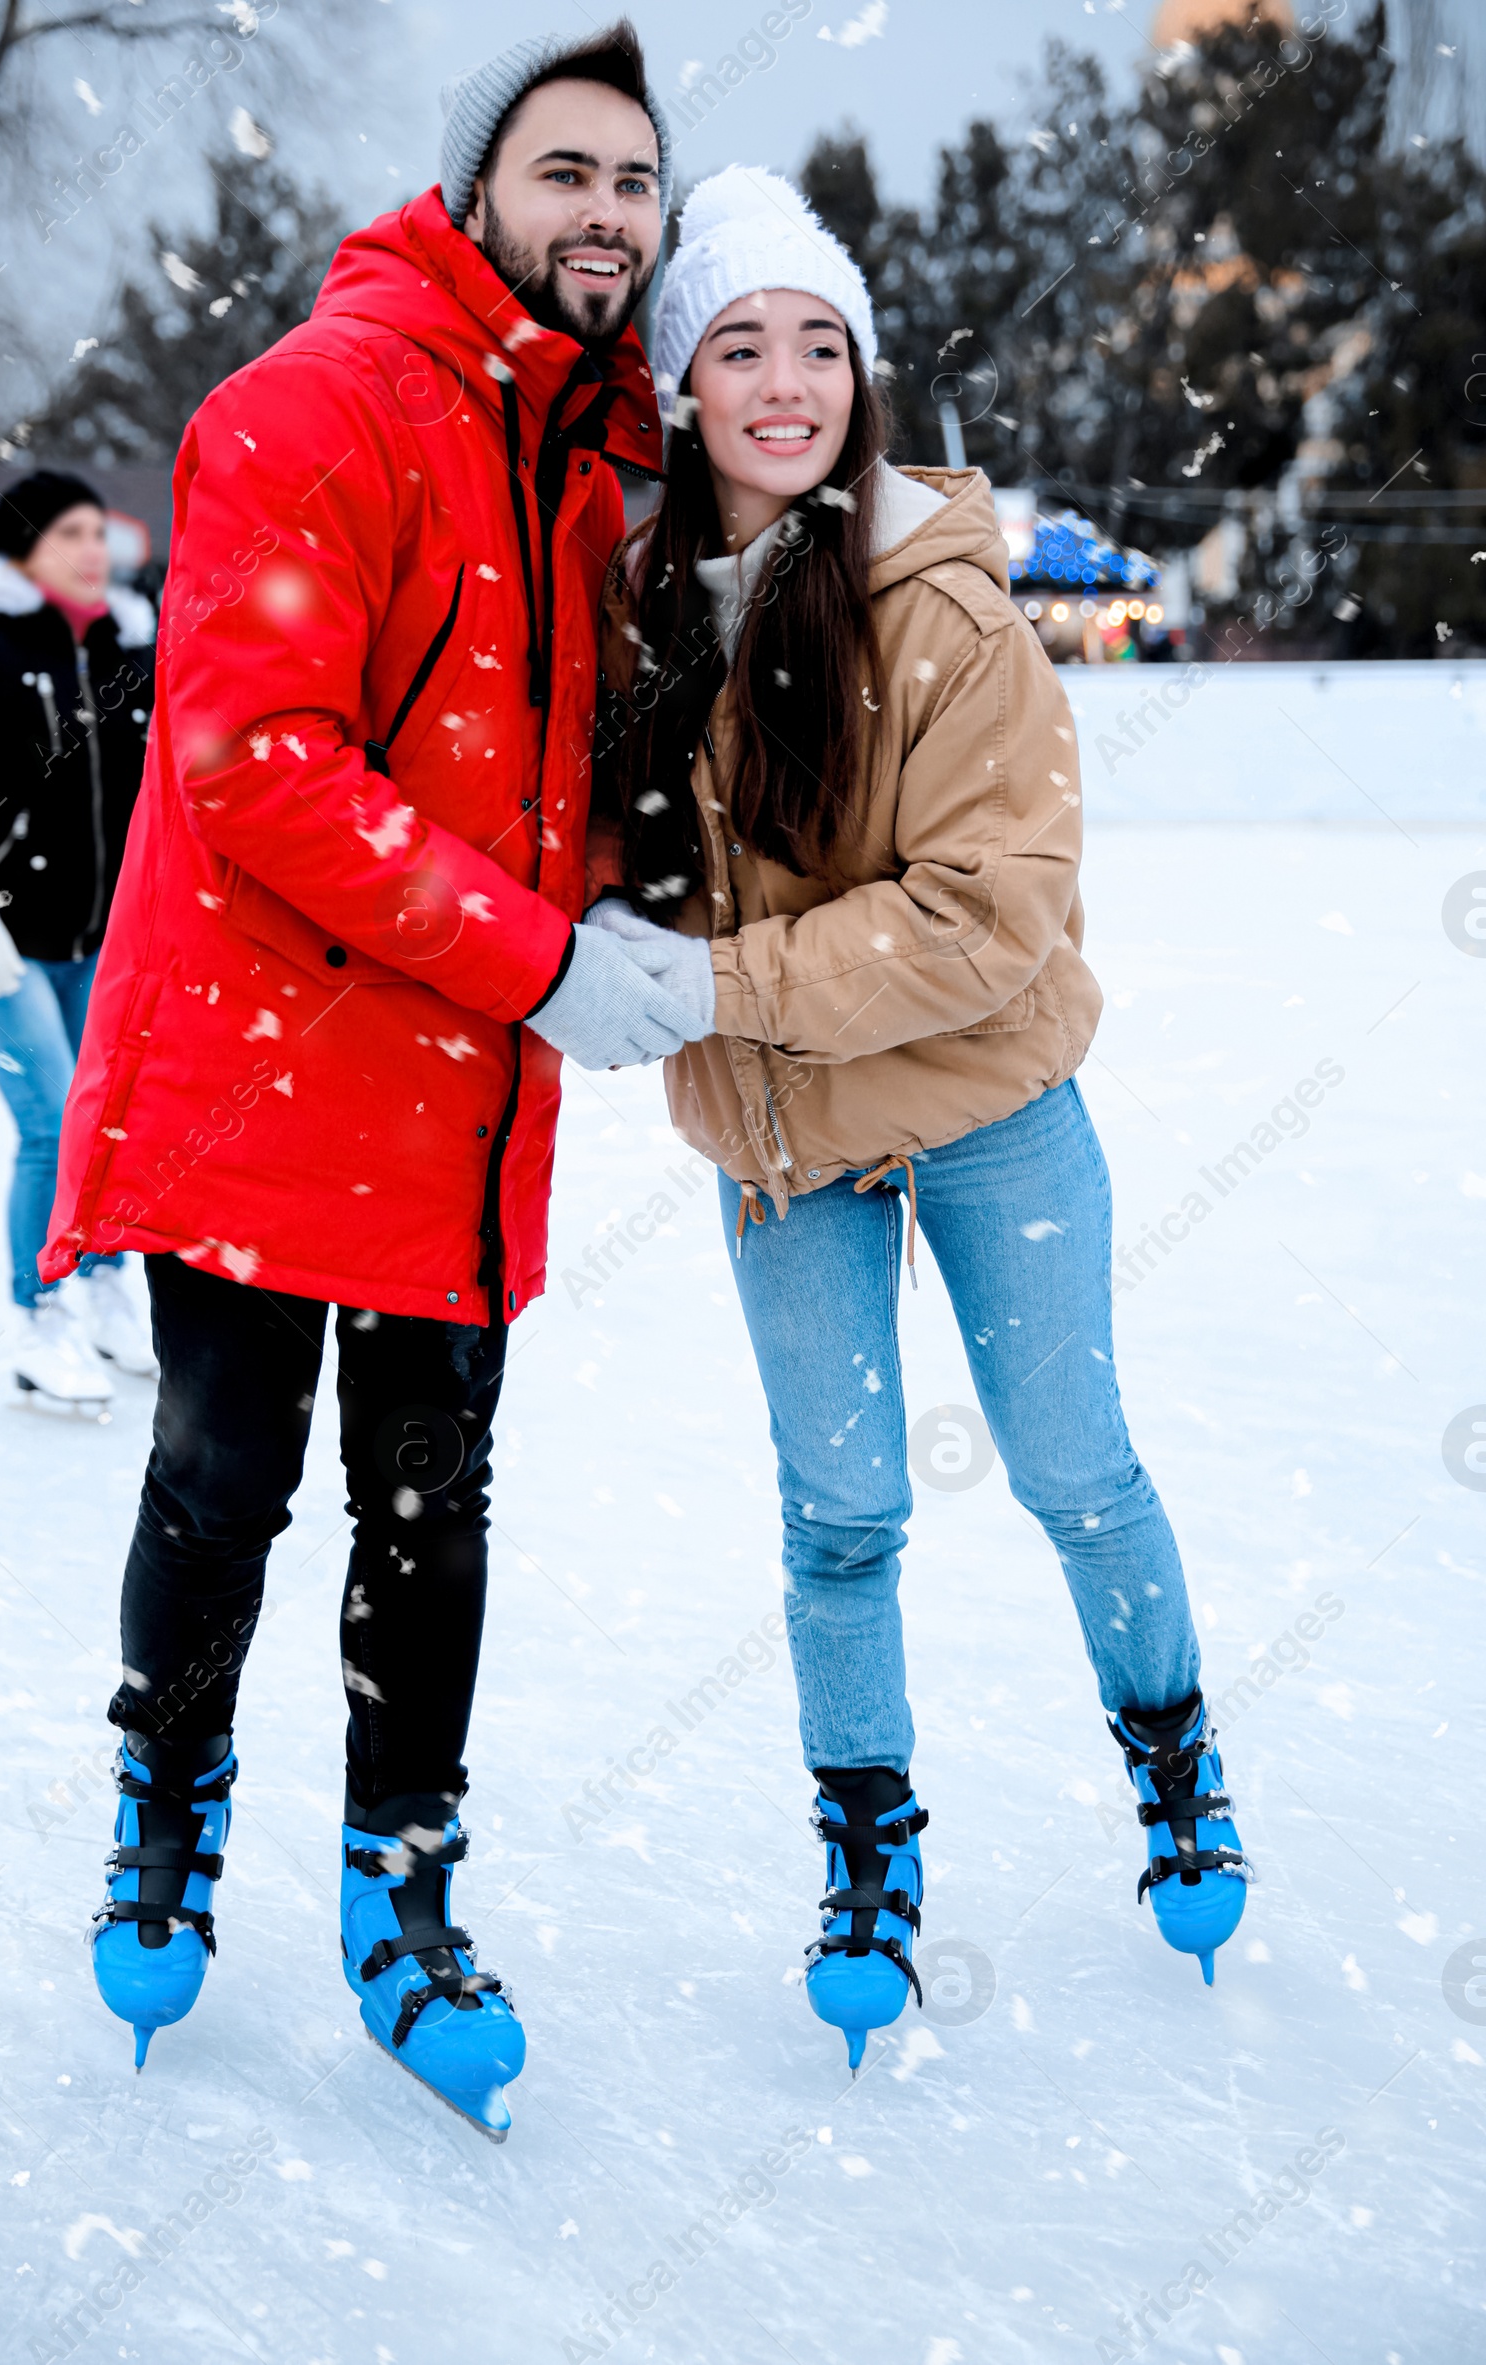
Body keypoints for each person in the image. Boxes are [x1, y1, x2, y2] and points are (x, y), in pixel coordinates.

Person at [40, 24, 706, 2131]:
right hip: (261, 1056)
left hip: (451, 1088)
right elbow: (256, 766)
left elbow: (579, 753)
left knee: (428, 1509)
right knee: (225, 1481)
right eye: (561, 169)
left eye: (632, 180)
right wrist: (535, 958)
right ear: (473, 190)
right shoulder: (312, 402)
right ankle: (168, 1797)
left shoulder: (615, 456)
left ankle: (403, 1883)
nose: (601, 210)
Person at [589, 167, 1252, 2073]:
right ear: (683, 385)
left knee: (1075, 1469)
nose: (784, 380)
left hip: (987, 1110)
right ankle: (867, 1851)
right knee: (843, 1516)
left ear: (861, 377)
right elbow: (628, 872)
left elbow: (992, 916)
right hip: (785, 1151)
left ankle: (1174, 1758)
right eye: (740, 343)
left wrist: (718, 987)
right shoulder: (644, 612)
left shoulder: (942, 599)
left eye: (819, 343)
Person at [0, 474, 159, 1406]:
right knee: (54, 1128)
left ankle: (105, 1293)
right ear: (24, 547)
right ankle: (40, 1314)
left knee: (115, 1131)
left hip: (108, 939)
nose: (93, 548)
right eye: (69, 532)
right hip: (4, 938)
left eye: (99, 531)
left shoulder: (131, 646)